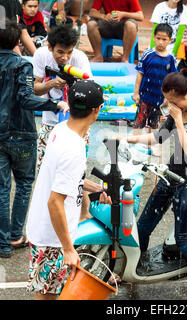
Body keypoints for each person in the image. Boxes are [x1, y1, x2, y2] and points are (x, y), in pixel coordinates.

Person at [121, 69, 187, 300]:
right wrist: (126, 138)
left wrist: (177, 119)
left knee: (183, 240)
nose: (168, 104)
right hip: (170, 177)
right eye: (167, 99)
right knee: (142, 227)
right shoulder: (178, 112)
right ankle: (134, 271)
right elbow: (158, 137)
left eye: (172, 100)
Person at [26, 80, 112, 300]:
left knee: (47, 291)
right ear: (97, 110)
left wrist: (95, 188)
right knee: (45, 296)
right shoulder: (73, 148)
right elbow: (55, 202)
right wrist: (68, 248)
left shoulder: (60, 129)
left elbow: (63, 179)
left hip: (43, 227)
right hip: (52, 236)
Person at [0, 18, 68, 259]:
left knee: (2, 188)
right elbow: (25, 98)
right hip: (21, 134)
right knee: (25, 184)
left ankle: (2, 243)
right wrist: (54, 103)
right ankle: (15, 235)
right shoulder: (22, 66)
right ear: (18, 41)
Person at [33, 23, 92, 221]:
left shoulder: (80, 58)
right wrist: (52, 83)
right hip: (50, 123)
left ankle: (84, 214)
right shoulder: (41, 55)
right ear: (50, 46)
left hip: (77, 125)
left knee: (77, 172)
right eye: (60, 52)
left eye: (69, 52)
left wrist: (73, 85)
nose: (65, 57)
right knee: (45, 172)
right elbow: (33, 89)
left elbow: (89, 91)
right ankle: (48, 214)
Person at [133, 23, 177, 141]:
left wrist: (168, 97)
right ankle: (134, 142)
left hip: (160, 99)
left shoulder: (171, 58)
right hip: (145, 97)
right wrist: (136, 93)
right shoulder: (148, 54)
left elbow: (172, 79)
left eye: (164, 39)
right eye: (158, 38)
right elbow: (140, 74)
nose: (160, 42)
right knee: (139, 121)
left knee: (154, 124)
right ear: (153, 37)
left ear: (170, 40)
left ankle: (150, 144)